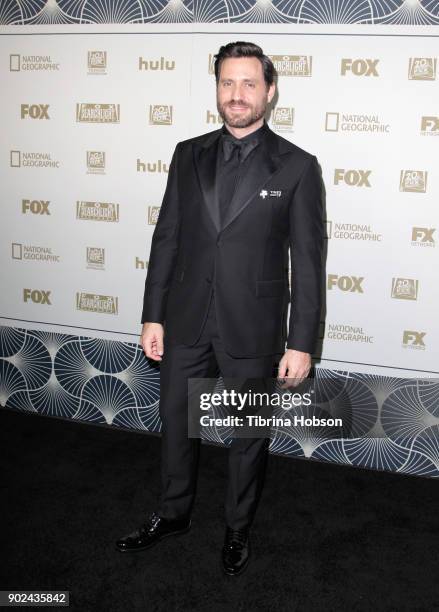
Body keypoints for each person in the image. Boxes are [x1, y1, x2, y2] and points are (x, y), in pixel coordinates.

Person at [116, 41, 324, 576]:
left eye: (249, 83)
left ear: (270, 91)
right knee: (175, 426)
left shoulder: (299, 167)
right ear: (217, 89)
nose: (237, 95)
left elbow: (308, 261)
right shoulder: (188, 153)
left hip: (252, 329)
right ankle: (173, 512)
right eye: (227, 83)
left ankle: (237, 527)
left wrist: (301, 342)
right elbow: (167, 238)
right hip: (185, 320)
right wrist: (152, 313)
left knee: (246, 436)